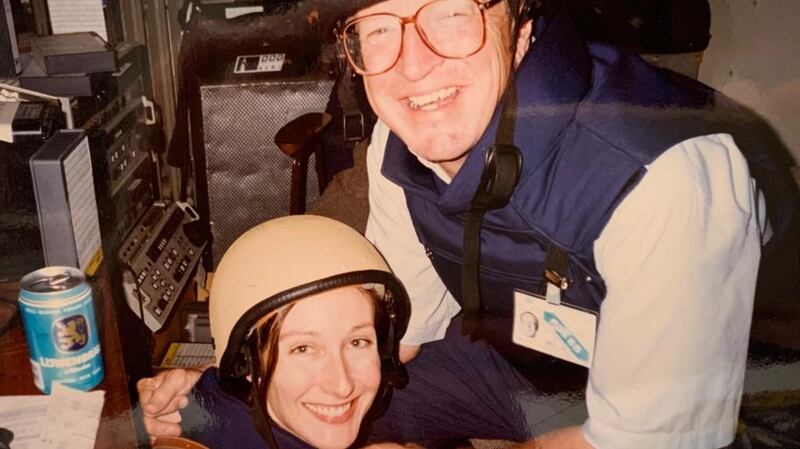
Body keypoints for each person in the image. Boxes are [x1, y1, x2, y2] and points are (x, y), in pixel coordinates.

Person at [140, 0, 799, 448]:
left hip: (743, 413)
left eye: (451, 15)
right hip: (536, 371)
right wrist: (239, 380)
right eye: (380, 27)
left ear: (520, 25)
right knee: (307, 401)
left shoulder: (663, 178)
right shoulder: (402, 146)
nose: (413, 63)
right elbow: (400, 339)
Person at [139, 215, 412, 449]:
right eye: (303, 349)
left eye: (357, 341)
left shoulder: (213, 397)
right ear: (244, 362)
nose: (342, 385)